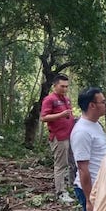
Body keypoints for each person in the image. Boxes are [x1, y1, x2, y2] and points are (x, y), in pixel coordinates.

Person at [40, 74, 76, 203]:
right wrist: (60, 114)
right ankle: (60, 192)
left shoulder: (66, 99)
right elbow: (43, 117)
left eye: (66, 86)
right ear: (55, 85)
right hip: (58, 137)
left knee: (70, 163)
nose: (65, 89)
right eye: (62, 86)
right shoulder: (49, 100)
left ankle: (70, 187)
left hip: (69, 136)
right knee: (61, 165)